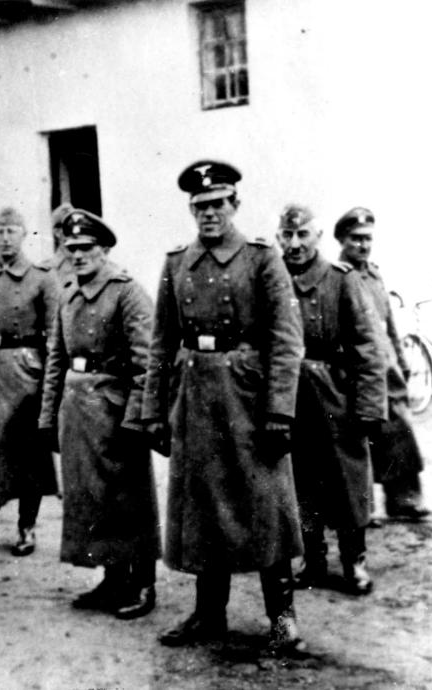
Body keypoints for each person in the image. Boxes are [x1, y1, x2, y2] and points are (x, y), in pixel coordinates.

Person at [142, 161, 306, 652]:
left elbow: (285, 338)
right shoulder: (176, 263)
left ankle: (282, 618)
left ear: (234, 204)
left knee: (266, 506)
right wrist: (153, 411)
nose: (208, 214)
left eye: (217, 204)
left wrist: (280, 411)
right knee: (202, 510)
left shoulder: (261, 259)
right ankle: (208, 615)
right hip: (194, 399)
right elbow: (160, 343)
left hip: (248, 399)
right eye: (199, 206)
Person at [39, 208, 160, 620]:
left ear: (104, 248)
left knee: (127, 499)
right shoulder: (67, 293)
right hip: (77, 411)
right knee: (91, 499)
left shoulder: (128, 292)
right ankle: (111, 578)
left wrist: (138, 419)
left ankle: (141, 582)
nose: (77, 255)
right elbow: (57, 359)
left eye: (86, 247)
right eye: (70, 248)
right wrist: (47, 416)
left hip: (114, 411)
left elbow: (149, 363)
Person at [276, 204, 387, 595]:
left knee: (348, 478)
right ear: (278, 238)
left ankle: (354, 559)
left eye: (302, 235)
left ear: (317, 237)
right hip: (288, 393)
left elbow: (369, 347)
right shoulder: (272, 279)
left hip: (336, 393)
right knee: (299, 479)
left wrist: (371, 406)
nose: (294, 244)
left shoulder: (341, 280)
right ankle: (313, 559)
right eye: (287, 236)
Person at [0, 207, 59, 556]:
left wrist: (48, 374)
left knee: (29, 454)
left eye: (12, 231)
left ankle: (27, 527)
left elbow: (55, 332)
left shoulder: (42, 278)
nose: (5, 238)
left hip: (28, 371)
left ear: (24, 235)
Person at [336, 208, 430, 522]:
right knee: (358, 439)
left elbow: (389, 326)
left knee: (399, 432)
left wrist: (402, 364)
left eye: (367, 239)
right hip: (357, 369)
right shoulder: (336, 276)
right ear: (341, 240)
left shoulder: (375, 275)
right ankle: (363, 509)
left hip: (387, 369)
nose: (363, 245)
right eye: (356, 239)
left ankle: (404, 499)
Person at [49, 203, 75, 284]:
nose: (75, 231)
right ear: (57, 232)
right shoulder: (48, 269)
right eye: (69, 226)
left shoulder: (87, 262)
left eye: (76, 225)